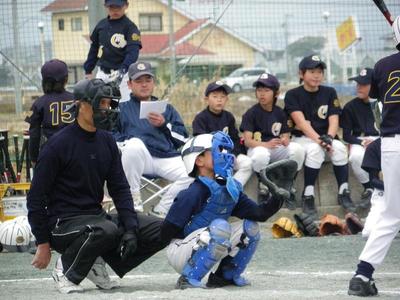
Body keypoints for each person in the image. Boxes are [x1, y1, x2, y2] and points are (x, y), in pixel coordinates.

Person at [27, 78, 166, 294]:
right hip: (62, 225)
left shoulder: (107, 141)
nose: (108, 109)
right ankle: (66, 271)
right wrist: (42, 243)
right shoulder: (57, 145)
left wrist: (130, 228)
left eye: (110, 104)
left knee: (160, 228)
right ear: (82, 105)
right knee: (105, 230)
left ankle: (94, 260)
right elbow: (35, 198)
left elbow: (120, 188)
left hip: (96, 221)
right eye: (102, 103)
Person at [160, 131, 284, 289]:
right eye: (217, 151)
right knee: (220, 227)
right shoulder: (193, 192)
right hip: (180, 250)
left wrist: (277, 196)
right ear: (199, 160)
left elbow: (259, 214)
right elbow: (167, 229)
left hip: (207, 240)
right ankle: (188, 278)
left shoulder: (228, 189)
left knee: (250, 228)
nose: (226, 156)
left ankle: (225, 276)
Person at [348, 16, 400, 297]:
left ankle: (362, 274)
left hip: (391, 146)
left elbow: (378, 93)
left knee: (392, 214)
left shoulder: (382, 65)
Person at [113, 61, 190, 215]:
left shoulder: (166, 108)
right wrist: (131, 140)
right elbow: (112, 136)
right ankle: (134, 199)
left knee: (193, 175)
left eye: (148, 80)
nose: (144, 85)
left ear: (153, 83)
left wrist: (164, 124)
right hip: (138, 160)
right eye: (139, 81)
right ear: (129, 85)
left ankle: (160, 210)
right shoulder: (121, 109)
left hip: (165, 157)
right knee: (134, 144)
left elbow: (182, 138)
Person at [284, 54, 355, 218]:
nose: (317, 75)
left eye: (320, 71)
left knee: (339, 148)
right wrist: (320, 141)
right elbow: (301, 123)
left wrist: (329, 137)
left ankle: (344, 191)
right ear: (301, 74)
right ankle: (308, 195)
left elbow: (334, 118)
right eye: (312, 71)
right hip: (303, 138)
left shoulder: (329, 92)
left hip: (325, 138)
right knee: (315, 150)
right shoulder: (292, 95)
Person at [240, 73, 305, 208]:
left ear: (276, 93)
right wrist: (265, 144)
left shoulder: (280, 113)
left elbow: (286, 134)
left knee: (297, 149)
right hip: (258, 147)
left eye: (267, 90)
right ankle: (263, 186)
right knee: (261, 154)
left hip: (275, 148)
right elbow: (247, 141)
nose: (262, 94)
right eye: (259, 90)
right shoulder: (251, 113)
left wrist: (285, 139)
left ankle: (288, 184)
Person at [192, 80, 253, 186]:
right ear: (206, 99)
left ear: (227, 99)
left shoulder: (228, 117)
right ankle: (219, 191)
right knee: (217, 172)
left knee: (247, 163)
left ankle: (232, 189)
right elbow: (200, 143)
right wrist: (218, 156)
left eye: (222, 97)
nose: (219, 100)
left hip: (228, 155)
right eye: (215, 96)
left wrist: (234, 154)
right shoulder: (200, 118)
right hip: (211, 157)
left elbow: (235, 139)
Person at [83, 0, 141, 102]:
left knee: (123, 105)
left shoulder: (130, 27)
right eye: (111, 7)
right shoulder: (101, 25)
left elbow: (133, 52)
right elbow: (94, 48)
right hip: (102, 73)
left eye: (118, 7)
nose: (115, 10)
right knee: (99, 106)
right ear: (105, 6)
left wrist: (123, 69)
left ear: (126, 6)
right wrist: (88, 69)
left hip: (122, 74)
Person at [340, 68, 380, 209]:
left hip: (382, 139)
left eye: (363, 84)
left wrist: (377, 142)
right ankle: (369, 188)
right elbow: (346, 135)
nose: (359, 87)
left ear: (374, 85)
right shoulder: (350, 106)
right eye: (358, 84)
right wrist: (361, 142)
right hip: (361, 140)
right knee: (355, 156)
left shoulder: (383, 104)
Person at [28, 59, 74, 165]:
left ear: (44, 80)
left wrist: (34, 157)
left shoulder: (38, 103)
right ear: (65, 79)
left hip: (50, 152)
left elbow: (34, 134)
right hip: (73, 151)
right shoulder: (76, 99)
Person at [359, 138, 383, 239]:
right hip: (384, 192)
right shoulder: (375, 146)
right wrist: (392, 187)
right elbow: (373, 180)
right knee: (368, 233)